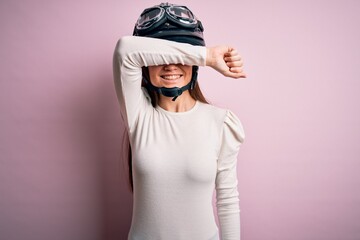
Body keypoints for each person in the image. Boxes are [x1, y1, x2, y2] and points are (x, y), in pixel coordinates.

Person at [112, 3, 246, 240]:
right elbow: (125, 50)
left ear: (194, 66)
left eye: (180, 55)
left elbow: (227, 200)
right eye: (162, 56)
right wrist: (207, 56)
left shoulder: (221, 123)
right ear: (145, 65)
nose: (171, 65)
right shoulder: (138, 114)